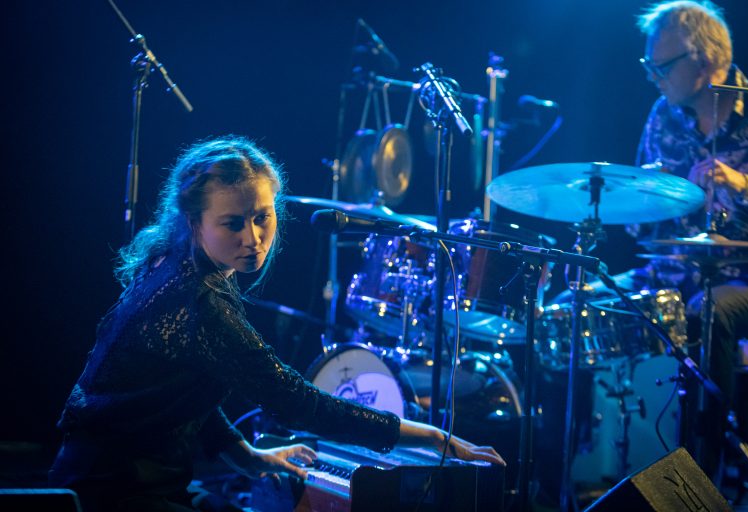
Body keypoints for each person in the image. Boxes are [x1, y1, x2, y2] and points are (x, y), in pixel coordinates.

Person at [48, 135, 505, 512]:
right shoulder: (198, 302)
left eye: (262, 218)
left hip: (125, 477)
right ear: (194, 222)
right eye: (232, 224)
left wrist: (248, 457)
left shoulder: (176, 266)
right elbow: (297, 403)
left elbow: (185, 390)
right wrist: (432, 437)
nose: (253, 238)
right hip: (113, 490)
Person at [632, 0, 748, 477]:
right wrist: (642, 198)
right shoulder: (663, 115)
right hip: (674, 272)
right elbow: (639, 224)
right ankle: (549, 487)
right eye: (648, 65)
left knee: (707, 311)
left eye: (662, 66)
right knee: (576, 304)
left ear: (707, 61)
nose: (653, 77)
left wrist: (744, 186)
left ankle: (698, 481)